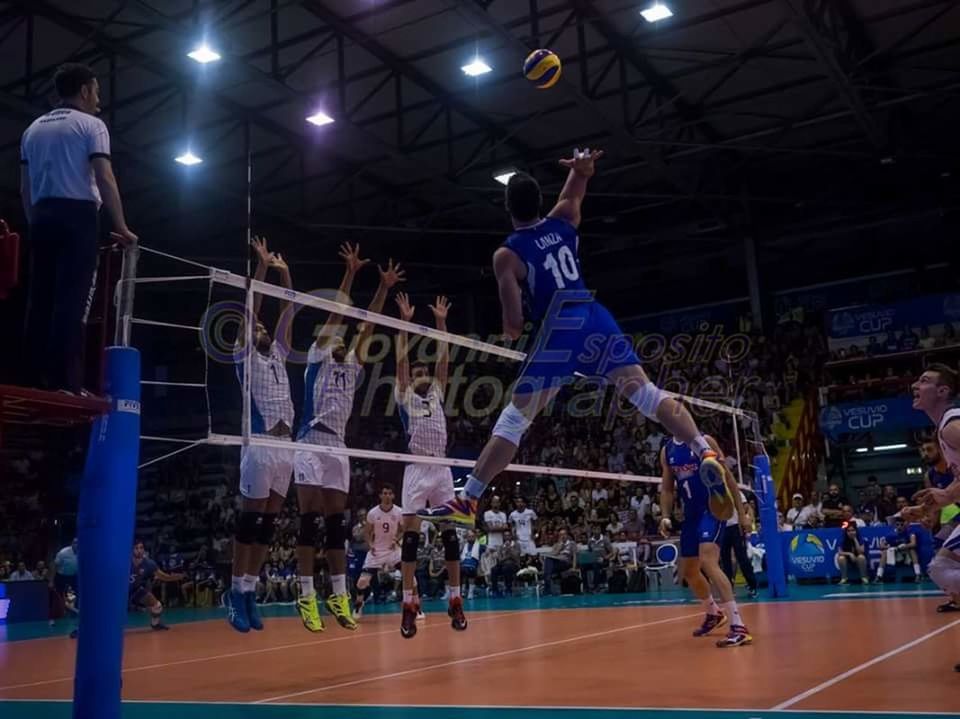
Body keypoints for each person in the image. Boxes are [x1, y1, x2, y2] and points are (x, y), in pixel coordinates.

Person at [418, 149, 731, 528]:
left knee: (516, 417)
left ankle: (468, 500)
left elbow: (514, 325)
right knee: (646, 393)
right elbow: (574, 191)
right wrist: (582, 169)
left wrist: (510, 320)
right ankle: (703, 450)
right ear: (540, 201)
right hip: (594, 315)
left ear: (506, 207)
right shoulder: (564, 220)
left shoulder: (507, 254)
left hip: (559, 326)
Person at [293, 248, 404, 633]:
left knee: (336, 524)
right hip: (309, 440)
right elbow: (338, 314)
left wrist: (384, 288)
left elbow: (368, 322)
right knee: (309, 522)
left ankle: (338, 594)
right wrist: (350, 274)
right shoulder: (317, 356)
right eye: (335, 335)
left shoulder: (353, 363)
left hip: (338, 446)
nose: (340, 337)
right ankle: (305, 593)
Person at [19, 62, 137, 394]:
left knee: (39, 298)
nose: (99, 99)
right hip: (78, 215)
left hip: (41, 215)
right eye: (97, 91)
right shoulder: (92, 125)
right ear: (84, 90)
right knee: (72, 299)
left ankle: (32, 378)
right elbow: (105, 177)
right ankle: (65, 382)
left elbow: (24, 189)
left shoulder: (33, 129)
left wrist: (35, 223)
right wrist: (122, 226)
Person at [225, 237, 295, 634]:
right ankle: (234, 591)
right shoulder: (246, 356)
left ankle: (250, 590)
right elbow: (253, 309)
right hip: (260, 444)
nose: (265, 329)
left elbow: (288, 313)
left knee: (268, 524)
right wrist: (263, 267)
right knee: (251, 521)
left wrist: (284, 274)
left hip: (287, 448)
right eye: (259, 328)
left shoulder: (279, 356)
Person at [393, 292, 466, 638]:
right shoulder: (405, 394)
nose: (421, 374)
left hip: (441, 469)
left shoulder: (436, 391)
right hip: (416, 469)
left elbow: (444, 362)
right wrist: (405, 323)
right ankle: (408, 603)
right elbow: (401, 363)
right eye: (417, 371)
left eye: (424, 371)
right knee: (411, 538)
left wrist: (440, 322)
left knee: (450, 535)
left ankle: (455, 598)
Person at [660, 436, 752, 648]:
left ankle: (739, 626)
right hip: (690, 516)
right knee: (689, 572)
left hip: (713, 510)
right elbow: (666, 488)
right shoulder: (667, 450)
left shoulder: (705, 441)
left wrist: (742, 514)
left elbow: (727, 478)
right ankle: (713, 613)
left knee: (708, 562)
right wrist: (665, 515)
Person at [903, 365, 960, 669]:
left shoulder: (951, 425)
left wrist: (949, 496)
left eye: (924, 381)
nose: (915, 384)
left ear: (943, 392)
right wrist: (931, 506)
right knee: (943, 567)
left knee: (942, 567)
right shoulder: (945, 429)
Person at [355, 486, 404, 616]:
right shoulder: (373, 513)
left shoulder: (399, 511)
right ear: (380, 496)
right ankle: (359, 605)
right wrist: (370, 544)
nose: (387, 496)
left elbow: (402, 529)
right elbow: (367, 532)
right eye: (384, 493)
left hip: (393, 550)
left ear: (393, 496)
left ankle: (415, 606)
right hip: (377, 551)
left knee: (411, 577)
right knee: (362, 582)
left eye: (389, 493)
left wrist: (396, 539)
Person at [129, 542, 184, 631]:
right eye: (136, 548)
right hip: (120, 591)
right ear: (131, 550)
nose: (139, 550)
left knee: (157, 606)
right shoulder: (124, 561)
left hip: (135, 590)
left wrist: (174, 577)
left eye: (141, 548)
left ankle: (155, 624)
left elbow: (163, 576)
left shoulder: (149, 563)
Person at [719, 489, 758, 599]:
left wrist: (743, 519)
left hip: (736, 526)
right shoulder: (714, 491)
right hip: (722, 528)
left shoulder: (734, 490)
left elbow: (745, 506)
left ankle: (752, 585)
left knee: (742, 557)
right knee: (725, 559)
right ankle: (728, 588)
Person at [875, 517, 922, 583]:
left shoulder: (910, 532)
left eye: (901, 525)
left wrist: (904, 546)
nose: (899, 527)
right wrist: (889, 547)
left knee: (912, 550)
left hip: (907, 556)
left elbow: (913, 543)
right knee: (884, 552)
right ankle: (879, 576)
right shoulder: (890, 535)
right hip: (895, 556)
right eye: (897, 525)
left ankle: (918, 574)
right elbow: (881, 546)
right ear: (895, 525)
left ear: (905, 525)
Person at [50, 538, 80, 637]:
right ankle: (52, 618)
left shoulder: (83, 551)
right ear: (72, 544)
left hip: (73, 577)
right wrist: (51, 581)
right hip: (61, 576)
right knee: (56, 598)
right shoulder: (63, 553)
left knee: (76, 595)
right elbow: (54, 565)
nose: (77, 544)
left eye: (78, 543)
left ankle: (76, 615)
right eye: (75, 543)